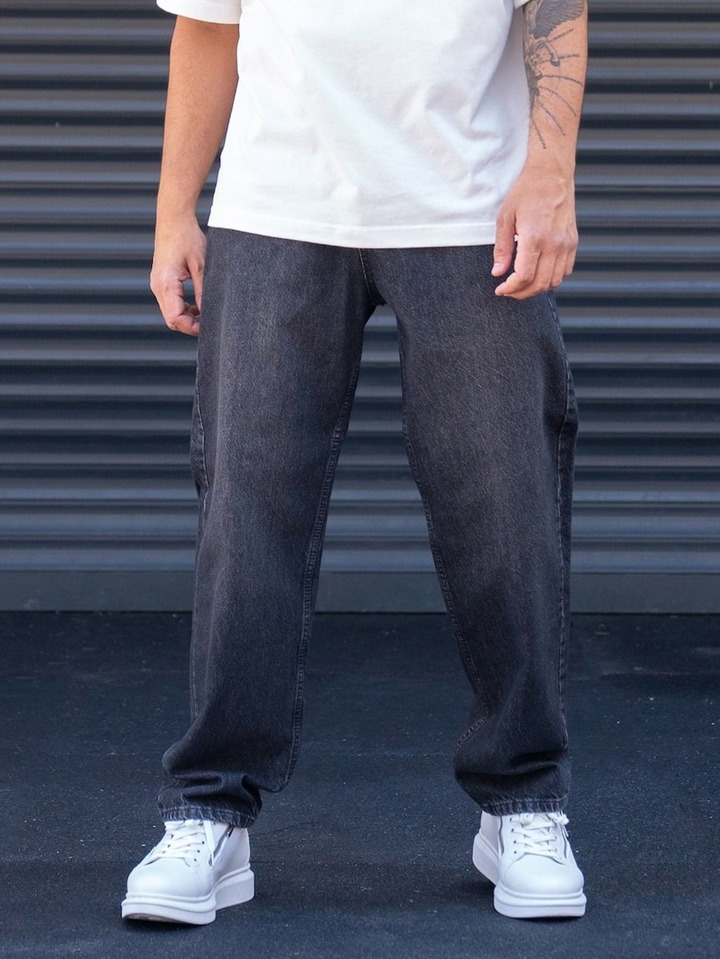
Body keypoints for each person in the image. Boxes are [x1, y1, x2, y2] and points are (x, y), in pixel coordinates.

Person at [121, 0, 589, 924]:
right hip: (276, 204)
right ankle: (210, 810)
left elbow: (556, 10)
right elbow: (209, 26)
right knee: (247, 511)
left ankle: (524, 800)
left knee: (506, 503)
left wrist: (551, 173)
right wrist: (175, 211)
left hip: (470, 204)